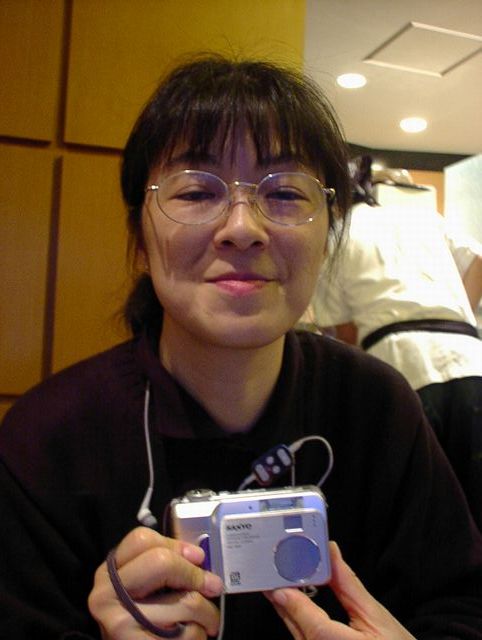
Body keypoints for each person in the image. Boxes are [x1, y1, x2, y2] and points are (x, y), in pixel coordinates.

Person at [1, 55, 482, 640]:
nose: (243, 227)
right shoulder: (48, 439)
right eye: (196, 191)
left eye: (285, 194)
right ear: (139, 239)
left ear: (328, 235)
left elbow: (461, 606)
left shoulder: (377, 406)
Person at [311, 158, 482, 530]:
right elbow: (477, 261)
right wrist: (457, 314)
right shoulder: (420, 217)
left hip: (405, 367)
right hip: (471, 360)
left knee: (428, 512)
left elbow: (345, 336)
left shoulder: (337, 237)